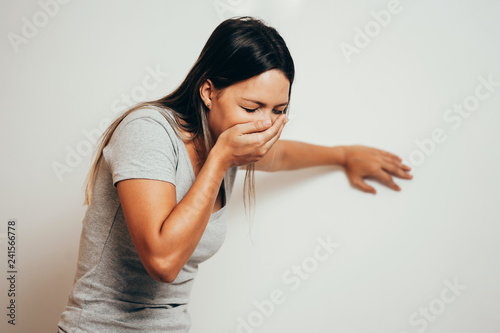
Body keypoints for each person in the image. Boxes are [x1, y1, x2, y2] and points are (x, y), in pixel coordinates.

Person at [56, 16, 413, 332]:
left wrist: (343, 155)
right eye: (252, 107)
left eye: (279, 110)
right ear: (209, 91)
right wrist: (221, 160)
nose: (265, 124)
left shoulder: (225, 140)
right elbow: (162, 261)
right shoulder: (149, 131)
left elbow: (282, 154)